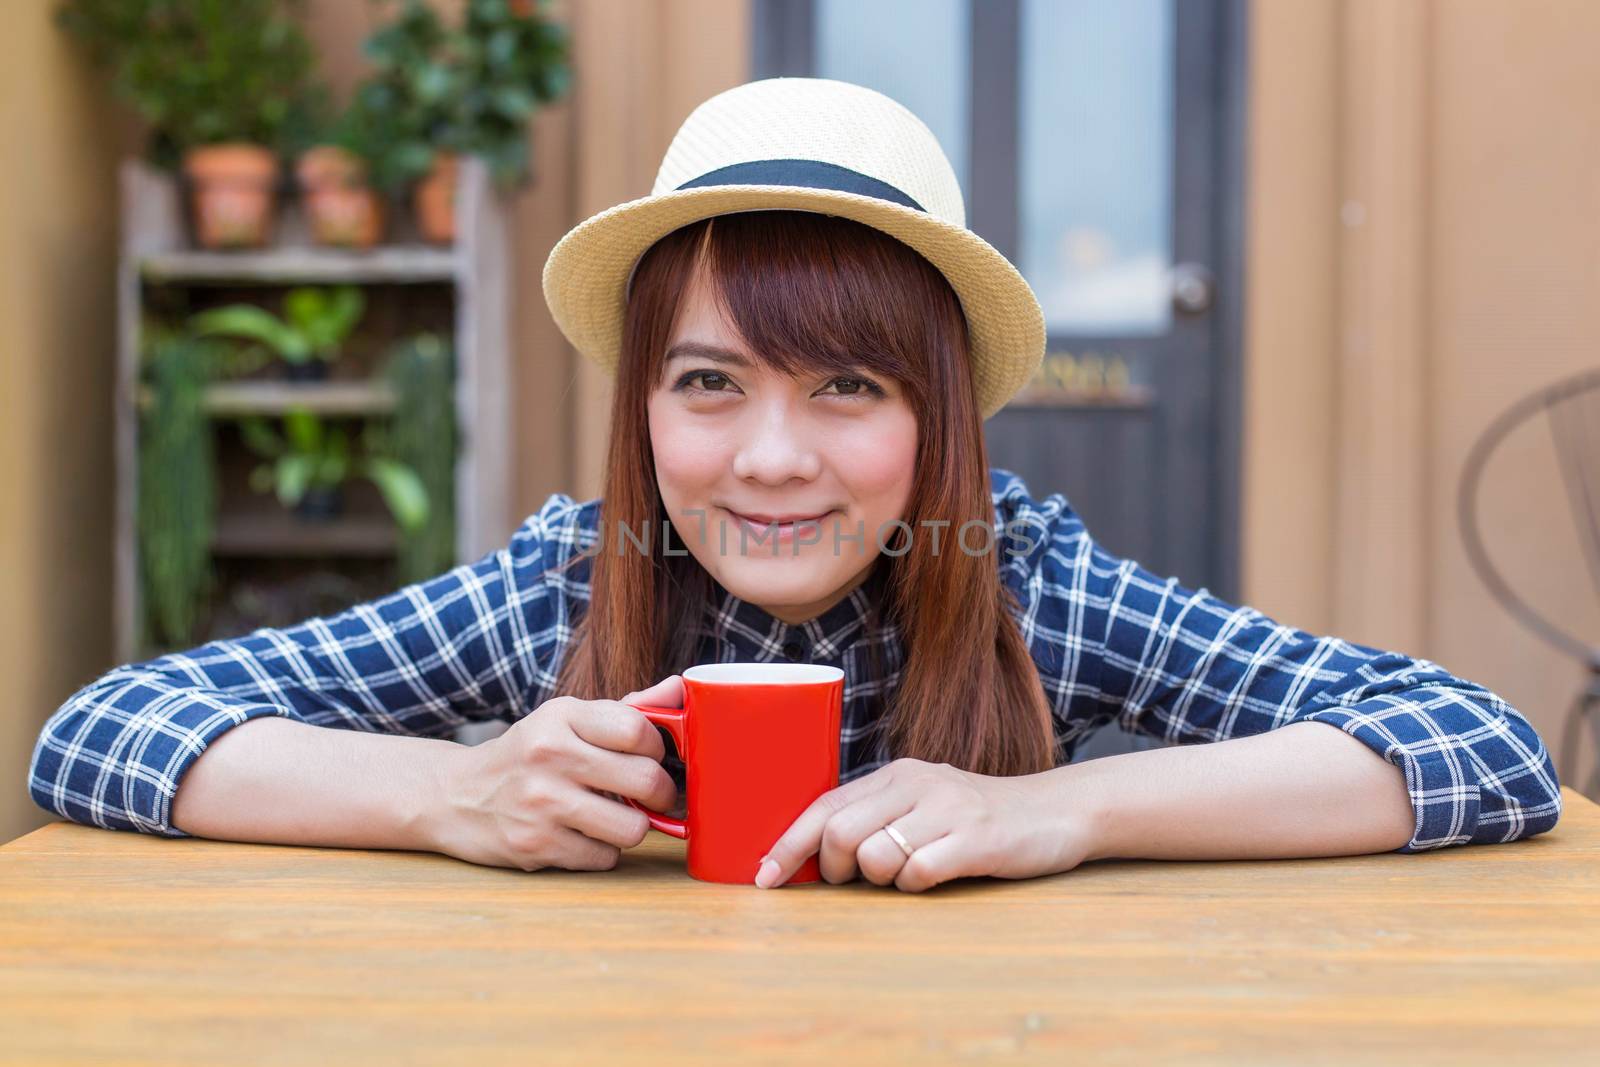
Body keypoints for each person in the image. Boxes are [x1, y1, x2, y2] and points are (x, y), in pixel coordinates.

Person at [29, 78, 1560, 892]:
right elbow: (101, 735)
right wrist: (444, 793)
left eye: (848, 386)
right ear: (641, 414)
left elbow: (1477, 750)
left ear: (939, 422)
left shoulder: (1029, 581)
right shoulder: (567, 581)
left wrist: (1067, 813)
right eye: (708, 385)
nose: (770, 457)